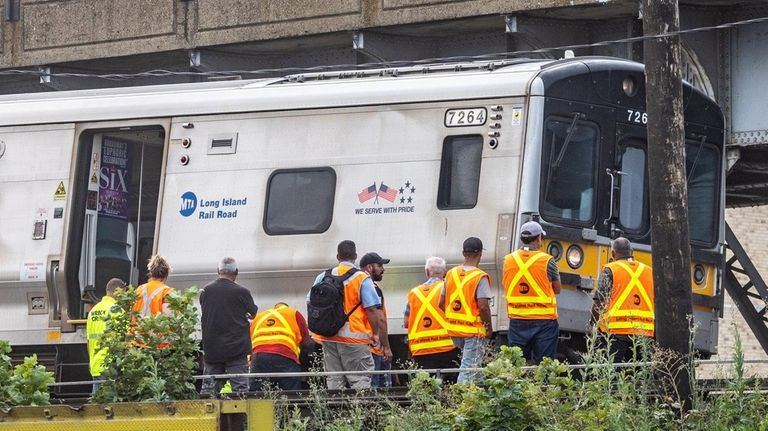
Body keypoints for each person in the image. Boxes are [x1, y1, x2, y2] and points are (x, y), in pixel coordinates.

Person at [310, 240, 391, 390]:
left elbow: (310, 301)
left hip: (328, 337)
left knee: (334, 379)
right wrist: (375, 334)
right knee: (360, 379)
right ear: (355, 256)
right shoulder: (361, 278)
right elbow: (372, 310)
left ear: (337, 256)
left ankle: (335, 411)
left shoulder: (323, 276)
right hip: (354, 338)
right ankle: (361, 412)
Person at [503, 220, 561, 364]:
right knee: (544, 365)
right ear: (538, 238)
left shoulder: (508, 260)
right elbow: (557, 289)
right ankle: (542, 387)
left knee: (515, 366)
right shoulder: (547, 260)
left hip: (517, 319)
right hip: (544, 321)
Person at [200, 257, 258, 396]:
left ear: (218, 271)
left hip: (212, 348)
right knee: (240, 392)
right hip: (236, 349)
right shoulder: (242, 292)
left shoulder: (206, 291)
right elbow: (253, 312)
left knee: (209, 392)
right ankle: (241, 417)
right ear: (236, 272)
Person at [592, 237, 655, 362]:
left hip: (617, 332)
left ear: (613, 253)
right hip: (644, 334)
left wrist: (593, 326)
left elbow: (599, 302)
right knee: (642, 376)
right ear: (632, 252)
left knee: (611, 374)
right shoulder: (649, 271)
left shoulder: (610, 270)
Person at [442, 237, 493, 385]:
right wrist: (488, 328)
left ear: (463, 253)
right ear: (480, 254)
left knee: (475, 366)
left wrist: (454, 318)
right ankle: (459, 400)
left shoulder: (451, 273)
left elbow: (441, 302)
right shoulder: (480, 277)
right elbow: (483, 306)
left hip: (454, 330)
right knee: (468, 369)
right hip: (473, 331)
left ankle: (482, 394)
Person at [404, 257, 460, 383]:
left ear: (427, 272)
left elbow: (406, 322)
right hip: (447, 347)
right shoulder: (449, 290)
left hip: (421, 348)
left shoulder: (413, 293)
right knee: (451, 386)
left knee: (427, 388)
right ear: (445, 272)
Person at [250, 302, 311, 391]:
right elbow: (306, 341)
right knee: (290, 395)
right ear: (286, 307)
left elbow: (250, 339)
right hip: (285, 356)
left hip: (258, 358)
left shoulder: (259, 317)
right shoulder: (293, 313)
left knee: (257, 396)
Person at [87, 278, 125, 393]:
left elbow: (88, 341)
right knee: (111, 406)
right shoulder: (117, 310)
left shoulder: (93, 311)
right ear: (118, 291)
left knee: (97, 407)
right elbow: (125, 338)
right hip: (111, 367)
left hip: (95, 366)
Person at [360, 252, 391, 388]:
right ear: (369, 267)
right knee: (375, 389)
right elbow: (380, 320)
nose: (382, 269)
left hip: (361, 342)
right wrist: (387, 347)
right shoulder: (372, 288)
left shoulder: (358, 284)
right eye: (379, 265)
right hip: (373, 346)